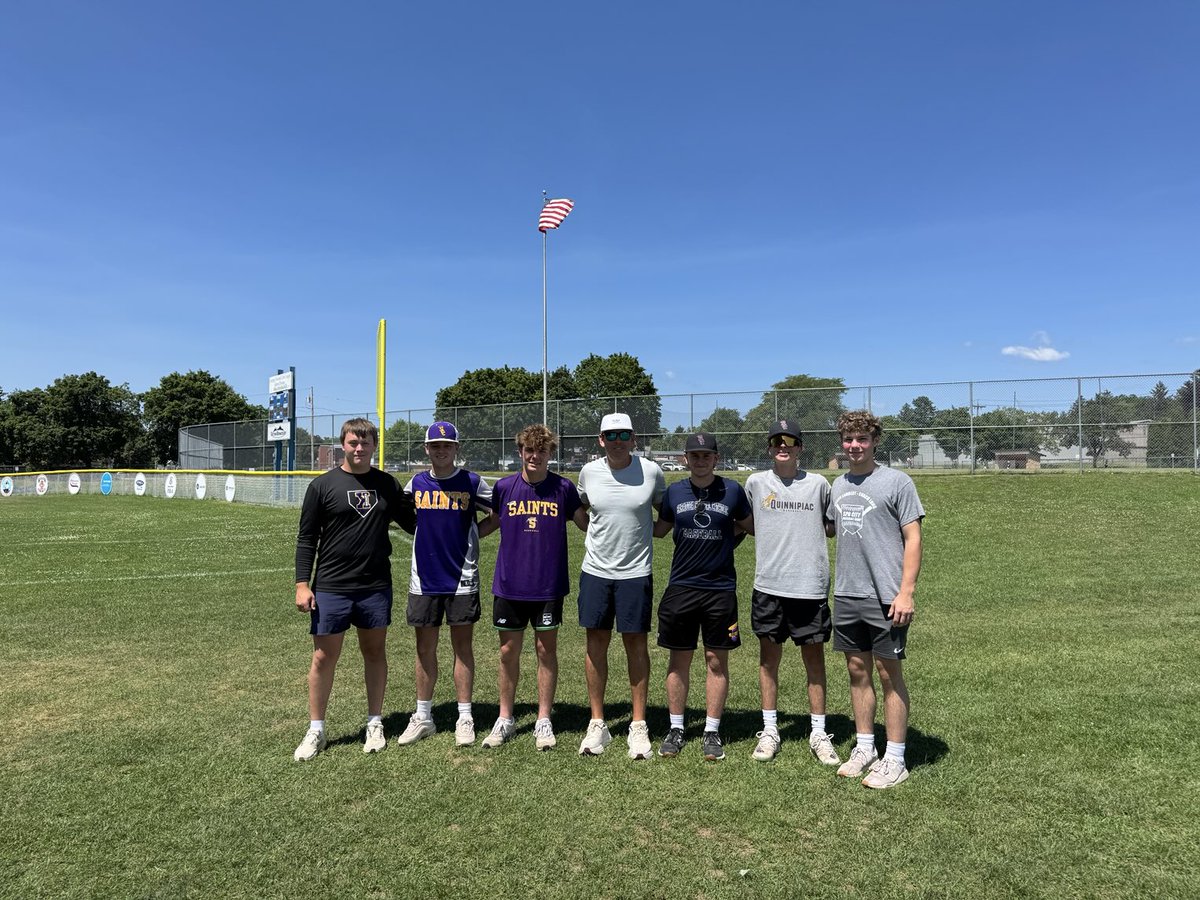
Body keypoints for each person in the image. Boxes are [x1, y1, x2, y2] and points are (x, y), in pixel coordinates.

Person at [292, 418, 416, 761]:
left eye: (365, 443)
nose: (358, 448)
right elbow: (306, 538)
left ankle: (374, 723)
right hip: (332, 586)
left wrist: (444, 506)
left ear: (374, 446)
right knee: (323, 657)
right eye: (352, 443)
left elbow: (414, 523)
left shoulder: (387, 485)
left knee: (375, 653)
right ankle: (316, 728)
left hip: (375, 585)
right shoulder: (322, 486)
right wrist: (303, 584)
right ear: (342, 445)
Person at [826, 410, 924, 789]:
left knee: (888, 673)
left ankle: (896, 757)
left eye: (862, 439)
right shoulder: (837, 485)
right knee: (856, 670)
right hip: (848, 592)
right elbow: (831, 528)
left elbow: (913, 538)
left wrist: (906, 592)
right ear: (842, 443)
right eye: (849, 440)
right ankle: (865, 745)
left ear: (875, 441)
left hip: (886, 596)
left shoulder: (897, 482)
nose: (855, 446)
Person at [477, 424, 588, 750]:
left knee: (545, 651)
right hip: (509, 585)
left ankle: (543, 720)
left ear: (550, 453)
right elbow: (492, 523)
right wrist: (461, 538)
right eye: (529, 450)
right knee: (508, 652)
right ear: (521, 452)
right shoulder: (505, 487)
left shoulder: (564, 489)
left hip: (548, 587)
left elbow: (587, 525)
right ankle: (505, 718)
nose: (535, 456)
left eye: (542, 451)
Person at [743, 420, 839, 765]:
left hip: (809, 586)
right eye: (776, 441)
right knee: (769, 660)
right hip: (769, 585)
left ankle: (818, 732)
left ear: (800, 447)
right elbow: (745, 523)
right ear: (769, 448)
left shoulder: (818, 485)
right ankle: (770, 730)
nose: (783, 446)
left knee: (814, 659)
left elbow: (831, 527)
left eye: (790, 441)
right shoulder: (755, 483)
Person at [653, 432, 753, 761]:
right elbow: (660, 529)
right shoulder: (674, 491)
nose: (700, 460)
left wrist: (727, 541)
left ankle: (711, 730)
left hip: (720, 590)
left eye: (706, 455)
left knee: (716, 661)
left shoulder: (733, 491)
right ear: (685, 459)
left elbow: (749, 526)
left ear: (716, 458)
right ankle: (676, 728)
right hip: (681, 587)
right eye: (694, 455)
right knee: (678, 659)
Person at [395, 422, 493, 748]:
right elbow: (402, 513)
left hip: (462, 577)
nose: (441, 451)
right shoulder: (416, 483)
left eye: (447, 445)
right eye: (435, 446)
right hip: (424, 578)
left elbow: (501, 511)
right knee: (425, 649)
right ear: (426, 449)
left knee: (462, 647)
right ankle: (423, 716)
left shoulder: (472, 482)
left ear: (456, 448)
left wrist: (477, 533)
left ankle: (464, 716)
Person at [575, 412, 666, 760]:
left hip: (635, 573)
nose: (616, 441)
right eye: (609, 436)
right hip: (596, 571)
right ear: (600, 440)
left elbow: (664, 513)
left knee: (635, 644)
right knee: (595, 642)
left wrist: (649, 535)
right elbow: (581, 512)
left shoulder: (651, 471)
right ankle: (597, 722)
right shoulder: (589, 472)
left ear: (633, 438)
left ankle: (638, 724)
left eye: (622, 435)